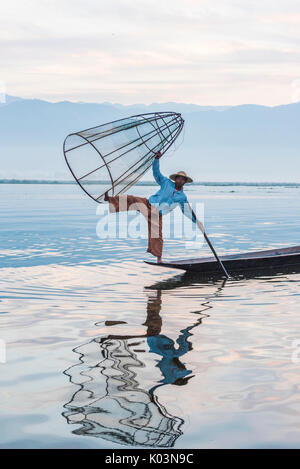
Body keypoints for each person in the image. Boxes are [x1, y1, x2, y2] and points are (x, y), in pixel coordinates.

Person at [105, 151, 195, 263]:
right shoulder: (166, 182)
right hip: (148, 204)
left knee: (157, 235)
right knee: (131, 199)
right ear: (175, 179)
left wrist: (195, 221)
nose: (180, 180)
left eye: (182, 179)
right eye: (178, 178)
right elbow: (156, 173)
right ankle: (109, 199)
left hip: (157, 215)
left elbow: (186, 210)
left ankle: (159, 258)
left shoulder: (182, 197)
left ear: (185, 182)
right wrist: (156, 160)